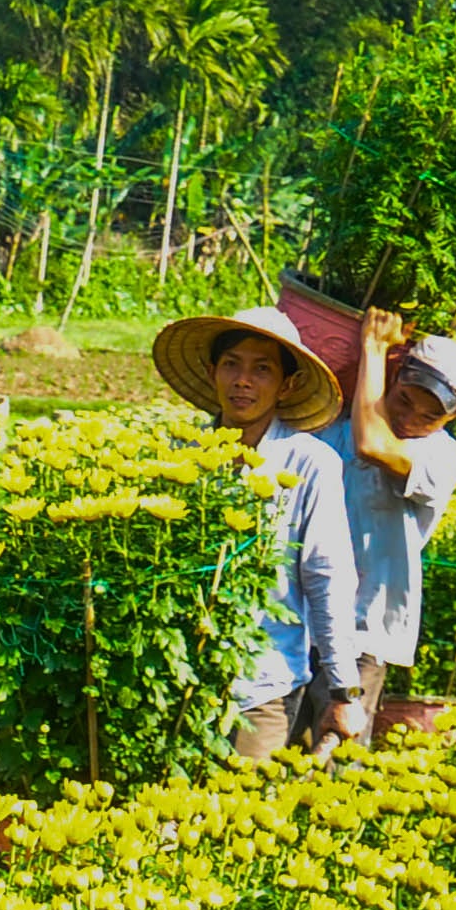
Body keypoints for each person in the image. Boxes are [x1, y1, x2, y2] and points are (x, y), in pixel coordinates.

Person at [152, 304, 351, 761]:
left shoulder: (310, 463)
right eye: (232, 365)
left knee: (238, 820)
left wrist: (342, 689)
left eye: (262, 369)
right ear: (212, 372)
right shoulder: (183, 454)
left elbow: (327, 576)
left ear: (288, 384)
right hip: (177, 679)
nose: (243, 381)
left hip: (262, 686)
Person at [332, 311, 456, 730]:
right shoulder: (343, 423)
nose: (410, 419)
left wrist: (374, 346)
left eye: (429, 415)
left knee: (336, 752)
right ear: (394, 378)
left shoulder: (441, 457)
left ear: (455, 415)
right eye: (404, 401)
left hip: (364, 625)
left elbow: (373, 446)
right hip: (303, 611)